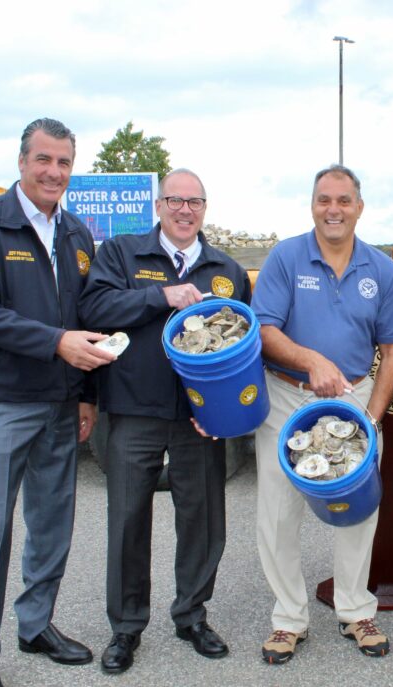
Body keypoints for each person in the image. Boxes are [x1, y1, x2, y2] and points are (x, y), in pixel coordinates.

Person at [0, 118, 116, 687]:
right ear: (22, 162)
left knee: (52, 523)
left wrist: (86, 393)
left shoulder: (75, 234)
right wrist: (55, 343)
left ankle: (36, 623)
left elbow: (86, 320)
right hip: (1, 400)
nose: (54, 172)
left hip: (60, 401)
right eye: (44, 160)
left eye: (64, 162)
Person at [78, 169, 251, 675]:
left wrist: (226, 413)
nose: (184, 210)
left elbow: (240, 347)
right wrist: (163, 296)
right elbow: (94, 306)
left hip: (198, 420)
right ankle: (126, 628)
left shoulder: (227, 271)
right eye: (175, 200)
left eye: (194, 202)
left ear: (205, 208)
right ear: (159, 206)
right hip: (134, 410)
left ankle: (192, 615)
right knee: (129, 519)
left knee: (202, 520)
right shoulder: (122, 253)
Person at [251, 164, 393, 663]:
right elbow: (264, 330)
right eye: (324, 200)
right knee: (278, 512)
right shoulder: (285, 256)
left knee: (357, 512)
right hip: (287, 398)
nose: (333, 209)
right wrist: (311, 360)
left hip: (355, 400)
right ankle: (289, 618)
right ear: (312, 205)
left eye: (343, 200)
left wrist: (374, 419)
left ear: (359, 206)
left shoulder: (381, 268)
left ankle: (356, 610)